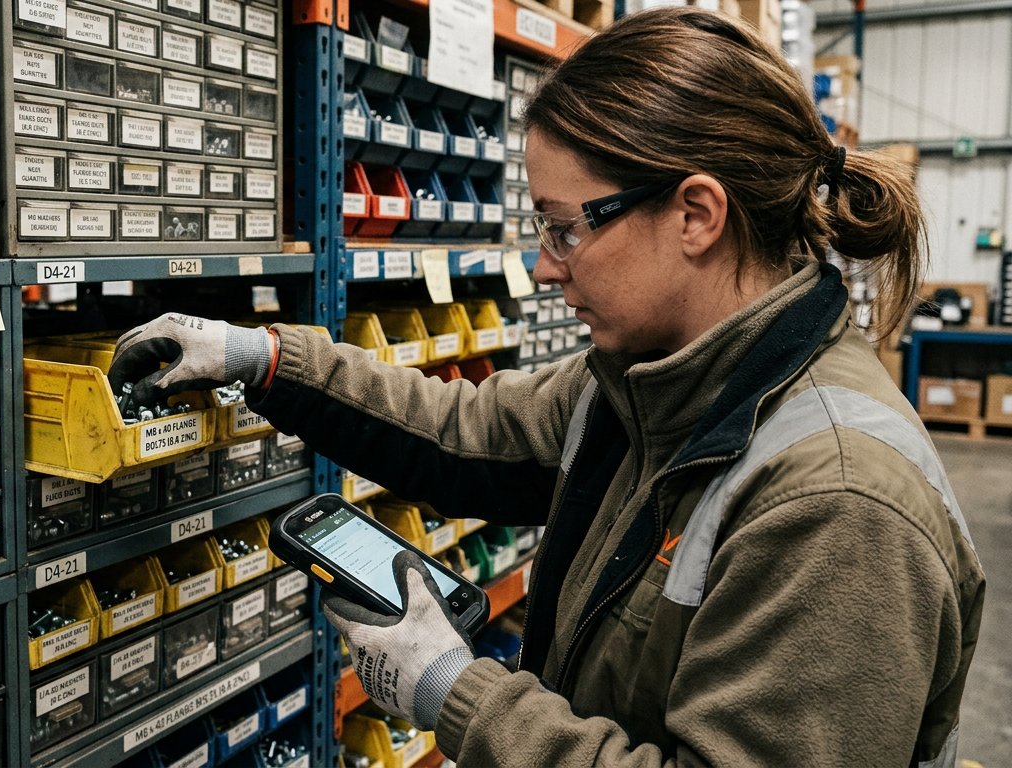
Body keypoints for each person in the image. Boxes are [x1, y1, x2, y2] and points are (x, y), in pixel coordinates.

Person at [108, 8, 984, 765]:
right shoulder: (651, 383)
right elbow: (459, 433)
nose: (543, 265)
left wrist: (457, 694)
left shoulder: (836, 504)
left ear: (696, 214)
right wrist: (261, 358)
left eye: (566, 229)